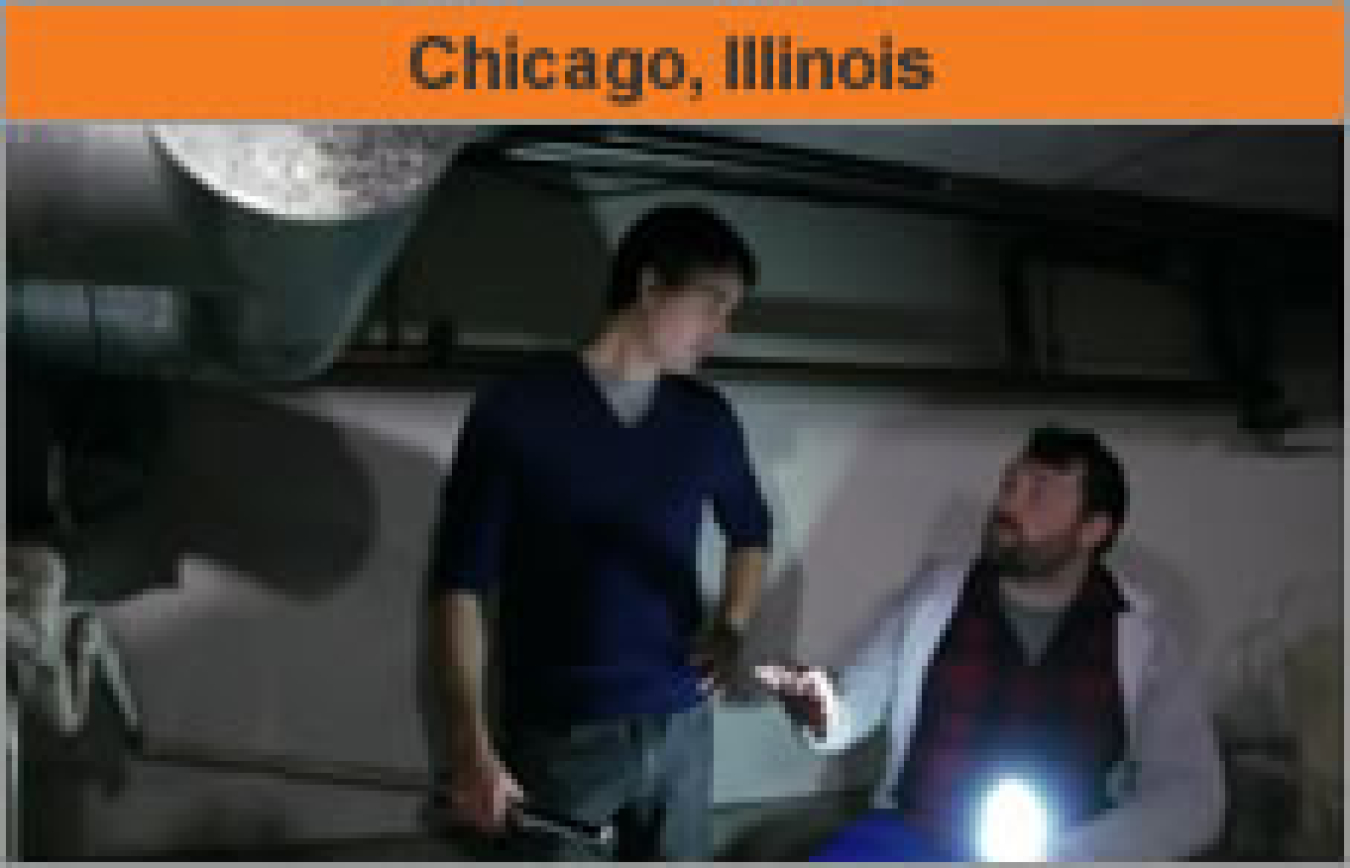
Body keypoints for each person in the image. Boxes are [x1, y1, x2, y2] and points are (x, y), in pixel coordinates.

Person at [427, 205, 772, 860]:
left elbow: (750, 530)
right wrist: (470, 744)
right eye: (713, 305)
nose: (721, 331)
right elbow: (460, 585)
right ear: (649, 287)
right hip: (562, 737)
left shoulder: (706, 418)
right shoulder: (520, 409)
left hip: (681, 725)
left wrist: (730, 626)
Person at [757, 426, 1226, 861]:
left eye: (1037, 492)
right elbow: (852, 709)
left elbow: (1192, 798)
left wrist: (1071, 854)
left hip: (1072, 849)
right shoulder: (933, 598)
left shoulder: (1143, 636)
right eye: (1009, 485)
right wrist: (822, 711)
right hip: (915, 835)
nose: (1008, 505)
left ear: (1093, 530)